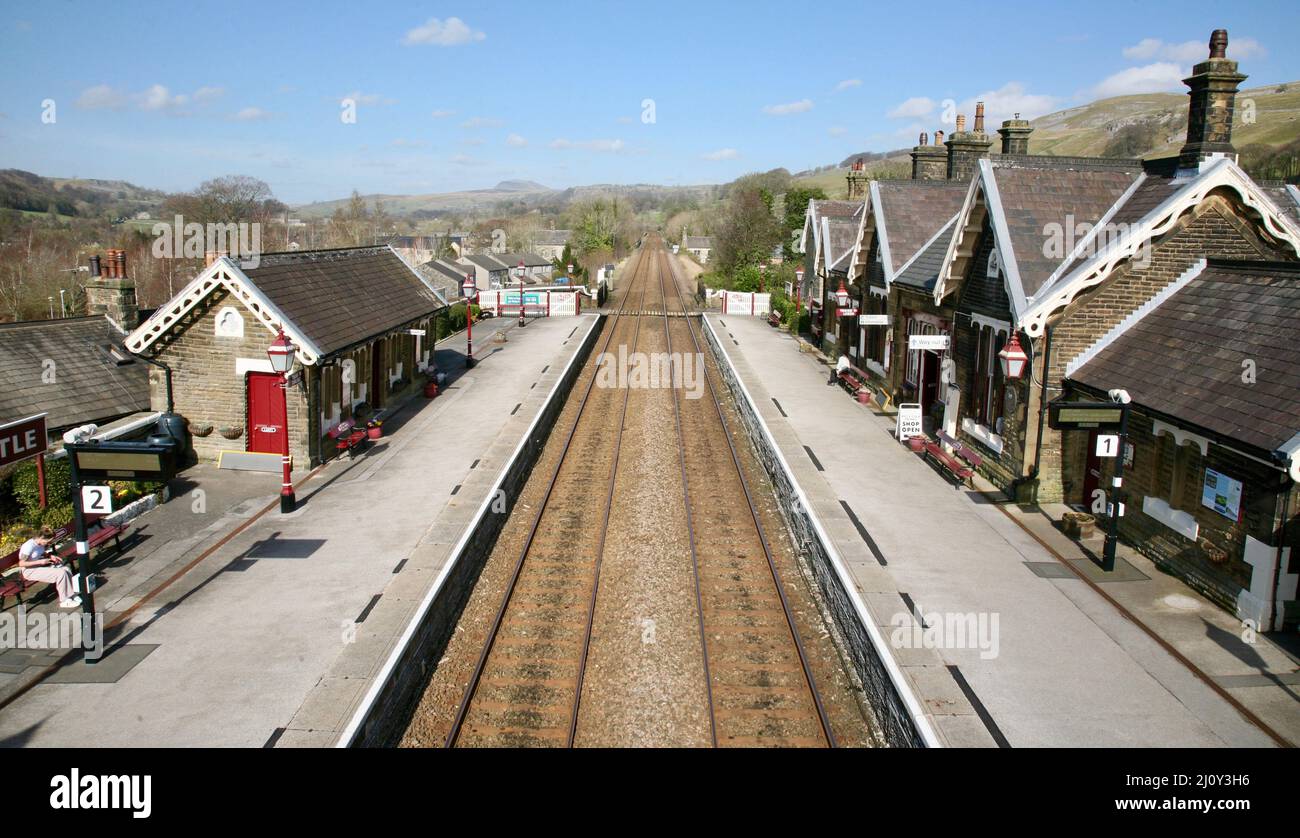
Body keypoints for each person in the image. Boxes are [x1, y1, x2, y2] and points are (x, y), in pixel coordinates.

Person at [18, 526, 80, 608]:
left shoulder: (40, 543)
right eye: (48, 541)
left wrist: (50, 556)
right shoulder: (28, 546)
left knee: (66, 569)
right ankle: (64, 601)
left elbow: (42, 554)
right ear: (41, 537)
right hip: (29, 571)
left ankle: (71, 595)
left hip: (39, 567)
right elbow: (21, 563)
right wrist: (40, 561)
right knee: (60, 573)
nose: (48, 543)